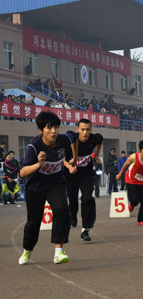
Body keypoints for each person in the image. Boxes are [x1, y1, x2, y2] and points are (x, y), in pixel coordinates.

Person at [18, 111, 77, 265]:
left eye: (56, 127)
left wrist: (74, 158)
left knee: (62, 209)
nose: (53, 131)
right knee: (33, 222)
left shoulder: (64, 139)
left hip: (55, 183)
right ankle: (27, 251)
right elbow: (23, 172)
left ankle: (58, 251)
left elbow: (74, 137)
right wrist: (38, 164)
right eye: (49, 128)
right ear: (40, 130)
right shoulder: (34, 146)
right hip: (36, 187)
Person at [64, 119, 103, 241]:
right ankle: (72, 215)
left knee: (87, 198)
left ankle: (85, 229)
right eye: (82, 129)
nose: (85, 133)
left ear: (91, 130)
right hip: (70, 174)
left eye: (87, 130)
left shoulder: (94, 138)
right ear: (77, 129)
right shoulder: (69, 141)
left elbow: (100, 140)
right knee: (73, 200)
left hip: (86, 174)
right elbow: (61, 158)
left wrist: (96, 155)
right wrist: (70, 166)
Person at [116, 140, 143, 225]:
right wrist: (119, 174)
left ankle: (141, 220)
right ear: (140, 150)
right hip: (131, 180)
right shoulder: (134, 157)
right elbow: (125, 165)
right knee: (135, 200)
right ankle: (132, 204)